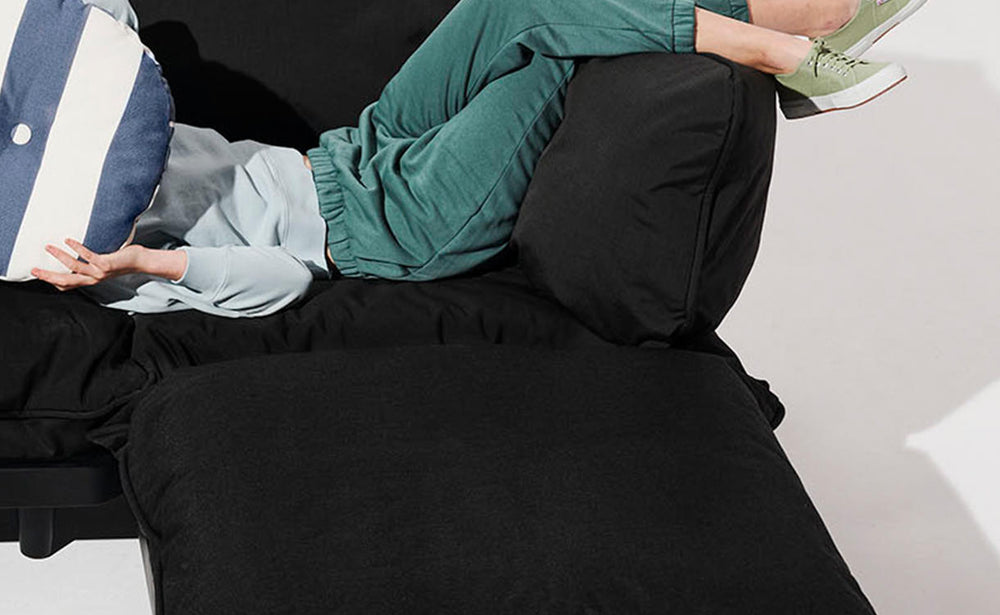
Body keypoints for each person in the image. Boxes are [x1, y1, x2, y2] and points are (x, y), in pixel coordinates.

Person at [32, 0, 926, 317]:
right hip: (388, 227)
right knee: (556, 39)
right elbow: (284, 284)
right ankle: (793, 40)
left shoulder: (51, 120)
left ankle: (796, 38)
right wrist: (147, 264)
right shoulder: (65, 245)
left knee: (514, 2)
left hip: (353, 152)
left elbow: (99, 24)